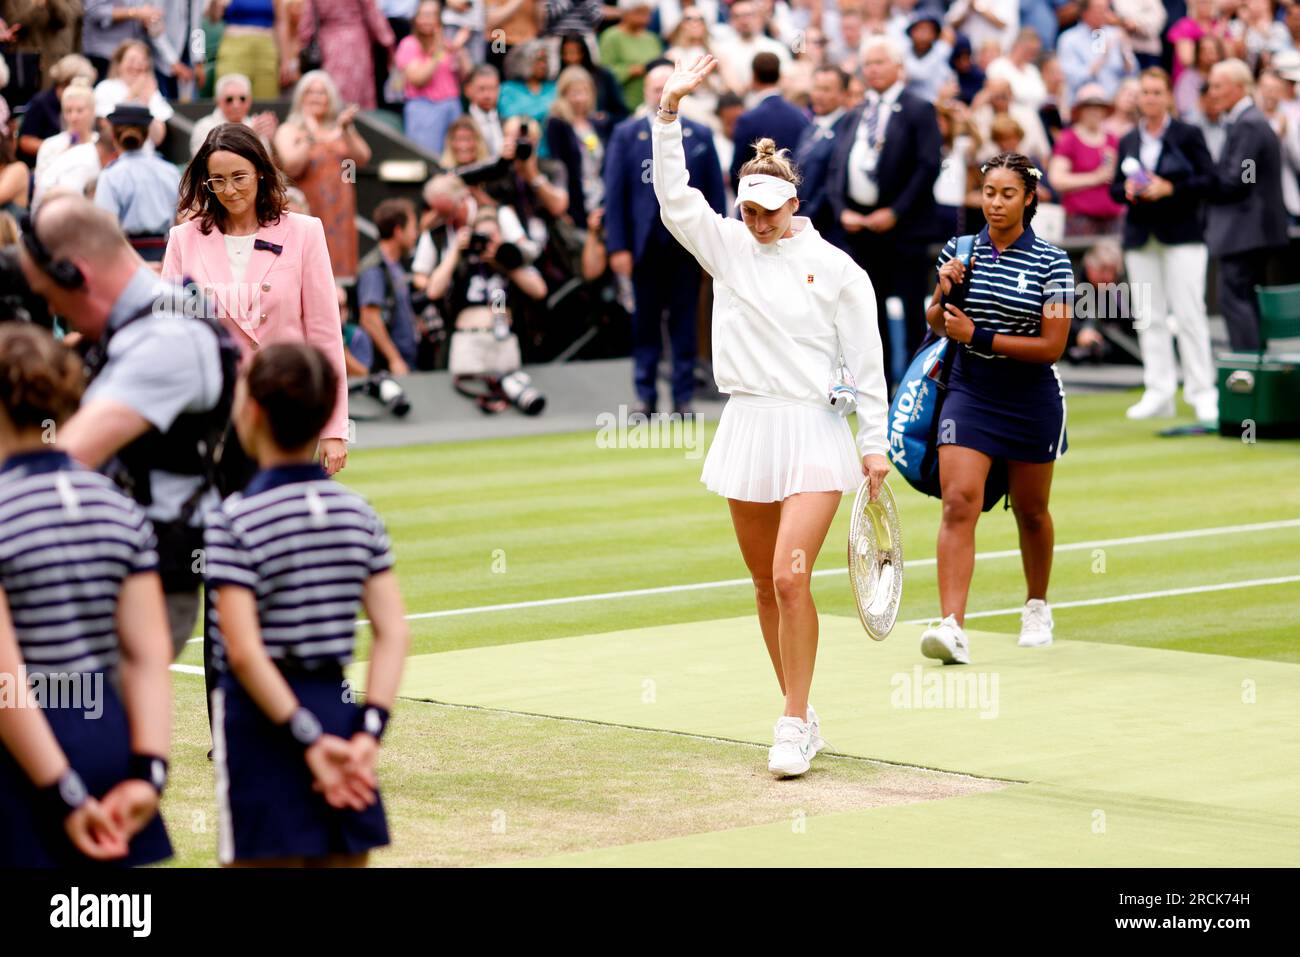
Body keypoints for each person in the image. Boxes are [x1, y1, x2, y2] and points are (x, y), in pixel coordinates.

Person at [653, 54, 890, 778]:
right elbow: (675, 200)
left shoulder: (842, 271)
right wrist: (667, 115)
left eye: (766, 209)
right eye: (747, 209)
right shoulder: (726, 245)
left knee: (792, 577)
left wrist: (875, 443)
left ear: (793, 203)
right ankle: (802, 705)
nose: (754, 220)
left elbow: (867, 362)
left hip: (816, 432)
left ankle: (790, 721)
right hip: (749, 427)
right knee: (764, 583)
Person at [205, 343, 410, 867]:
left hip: (262, 719)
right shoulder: (357, 512)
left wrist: (306, 739)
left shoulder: (234, 519)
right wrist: (369, 731)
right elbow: (392, 632)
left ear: (251, 412)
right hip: (335, 708)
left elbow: (244, 653)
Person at [17, 195, 235, 661]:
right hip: (110, 565)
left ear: (76, 274)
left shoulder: (167, 337)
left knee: (76, 721)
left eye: (49, 295)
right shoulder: (139, 325)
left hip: (144, 580)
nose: (55, 313)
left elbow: (64, 461)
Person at [0, 324, 174, 868]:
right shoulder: (119, 509)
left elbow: (6, 682)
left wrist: (62, 791)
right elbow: (148, 656)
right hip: (110, 744)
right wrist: (150, 771)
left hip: (22, 760)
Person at [918, 151, 1074, 665]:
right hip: (970, 391)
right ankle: (952, 625)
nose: (996, 204)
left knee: (1031, 512)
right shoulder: (959, 249)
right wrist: (942, 292)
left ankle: (1036, 605)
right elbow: (937, 323)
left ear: (1028, 198)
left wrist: (979, 334)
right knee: (959, 500)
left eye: (1008, 194)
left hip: (1031, 399)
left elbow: (1052, 347)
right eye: (988, 193)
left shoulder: (1053, 262)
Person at [164, 122, 350, 477]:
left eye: (239, 177)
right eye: (217, 180)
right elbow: (171, 334)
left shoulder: (305, 232)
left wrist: (334, 429)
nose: (229, 190)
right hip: (214, 411)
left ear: (261, 173)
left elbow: (325, 335)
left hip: (291, 407)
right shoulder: (183, 239)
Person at [605, 61, 727, 416]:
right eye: (655, 87)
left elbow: (714, 195)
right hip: (643, 245)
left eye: (666, 86)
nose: (660, 93)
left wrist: (715, 249)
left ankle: (683, 397)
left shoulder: (699, 135)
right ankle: (645, 395)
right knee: (644, 323)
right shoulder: (627, 134)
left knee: (685, 322)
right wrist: (618, 246)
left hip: (686, 247)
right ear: (644, 90)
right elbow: (615, 195)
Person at [826, 35, 942, 386]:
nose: (872, 69)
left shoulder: (918, 109)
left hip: (905, 228)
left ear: (898, 66)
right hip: (860, 229)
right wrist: (842, 209)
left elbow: (927, 166)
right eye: (868, 63)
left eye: (879, 62)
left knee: (910, 309)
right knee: (866, 310)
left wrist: (895, 212)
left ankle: (914, 383)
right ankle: (876, 385)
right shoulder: (856, 113)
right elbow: (836, 168)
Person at [1108, 67, 1219, 422]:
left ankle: (1203, 391)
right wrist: (1127, 191)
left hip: (1183, 235)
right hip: (1141, 237)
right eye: (1145, 92)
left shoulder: (1188, 133)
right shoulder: (1128, 139)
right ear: (1137, 97)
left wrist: (1170, 188)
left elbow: (1209, 181)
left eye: (1157, 92)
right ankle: (1159, 390)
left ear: (1168, 95)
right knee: (1148, 316)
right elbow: (1113, 188)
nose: (1150, 98)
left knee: (1189, 313)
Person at [1203, 58, 1289, 352]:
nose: (1212, 92)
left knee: (1236, 302)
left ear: (1239, 88)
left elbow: (1243, 178)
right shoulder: (1247, 122)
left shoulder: (1249, 125)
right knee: (1244, 302)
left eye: (1218, 86)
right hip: (1250, 233)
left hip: (1245, 234)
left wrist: (1197, 179)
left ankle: (1248, 372)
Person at [427, 205, 549, 413]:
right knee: (467, 401)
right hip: (469, 340)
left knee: (508, 400)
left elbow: (539, 290)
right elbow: (434, 291)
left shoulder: (510, 259)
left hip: (503, 339)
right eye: (481, 236)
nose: (485, 243)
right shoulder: (462, 260)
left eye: (491, 236)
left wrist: (504, 261)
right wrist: (456, 250)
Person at [274, 71, 373, 280]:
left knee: (340, 273)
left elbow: (362, 158)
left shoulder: (340, 129)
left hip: (340, 211)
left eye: (322, 93)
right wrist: (310, 134)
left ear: (331, 98)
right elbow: (291, 166)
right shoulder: (290, 129)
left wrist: (346, 129)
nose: (316, 97)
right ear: (300, 97)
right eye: (310, 92)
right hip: (307, 208)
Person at [93, 105, 182, 264]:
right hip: (167, 255)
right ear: (147, 133)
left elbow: (108, 230)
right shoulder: (170, 171)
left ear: (113, 135)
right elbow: (182, 221)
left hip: (126, 258)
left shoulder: (110, 175)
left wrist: (139, 266)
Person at [396, 0, 473, 157]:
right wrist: (438, 53)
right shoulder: (409, 44)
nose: (427, 20)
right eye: (423, 15)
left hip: (452, 107)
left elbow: (467, 76)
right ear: (415, 19)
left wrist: (459, 50)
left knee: (454, 158)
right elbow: (418, 78)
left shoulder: (447, 44)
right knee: (427, 157)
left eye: (432, 15)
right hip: (424, 109)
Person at [1048, 83, 1126, 235]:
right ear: (1080, 111)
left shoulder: (1112, 140)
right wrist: (1096, 177)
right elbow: (1057, 179)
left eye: (1099, 107)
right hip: (1080, 220)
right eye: (1090, 107)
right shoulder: (1068, 139)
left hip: (1113, 219)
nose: (1095, 112)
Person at [356, 198, 420, 376]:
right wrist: (395, 359)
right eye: (413, 228)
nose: (415, 234)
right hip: (387, 370)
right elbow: (369, 318)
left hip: (407, 363)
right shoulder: (374, 268)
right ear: (399, 231)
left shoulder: (395, 266)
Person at [729, 51, 810, 188]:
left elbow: (738, 171)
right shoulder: (799, 116)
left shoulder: (748, 119)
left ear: (754, 75)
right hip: (791, 196)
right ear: (779, 76)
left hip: (756, 197)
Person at [545, 64, 614, 223]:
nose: (579, 99)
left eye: (583, 92)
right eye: (574, 93)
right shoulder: (557, 123)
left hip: (599, 193)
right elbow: (558, 166)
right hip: (574, 196)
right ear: (564, 95)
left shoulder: (596, 123)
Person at [298, 0, 395, 110]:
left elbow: (306, 23)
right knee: (358, 97)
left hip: (328, 44)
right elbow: (373, 15)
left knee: (331, 91)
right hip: (356, 45)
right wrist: (389, 44)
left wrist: (304, 44)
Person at [793, 65, 853, 236]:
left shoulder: (847, 129)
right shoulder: (811, 127)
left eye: (826, 90)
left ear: (844, 94)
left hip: (825, 229)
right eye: (816, 88)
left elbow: (830, 185)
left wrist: (803, 221)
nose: (818, 95)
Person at [16, 54, 99, 166]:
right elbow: (25, 141)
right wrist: (55, 149)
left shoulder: (85, 103)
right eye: (68, 111)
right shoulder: (41, 102)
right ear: (65, 82)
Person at [92, 39, 173, 147]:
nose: (137, 66)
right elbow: (106, 128)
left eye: (142, 61)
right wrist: (132, 95)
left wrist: (145, 103)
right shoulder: (105, 87)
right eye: (132, 60)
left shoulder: (152, 93)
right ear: (119, 64)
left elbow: (157, 138)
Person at [210, 0, 292, 100]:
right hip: (234, 47)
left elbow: (281, 22)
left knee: (266, 98)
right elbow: (214, 18)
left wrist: (285, 60)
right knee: (230, 94)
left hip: (266, 49)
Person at [1056, 0, 1136, 100]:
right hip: (1083, 102)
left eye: (1106, 9)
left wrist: (1125, 54)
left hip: (1116, 101)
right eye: (1099, 9)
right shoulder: (1069, 39)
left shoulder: (1116, 34)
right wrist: (1101, 59)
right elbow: (1072, 79)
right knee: (1092, 92)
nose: (1104, 13)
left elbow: (1133, 73)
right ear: (1084, 12)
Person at [191, 73, 280, 155]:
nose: (236, 105)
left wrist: (272, 141)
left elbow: (269, 165)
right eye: (229, 99)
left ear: (249, 101)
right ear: (218, 101)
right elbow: (205, 163)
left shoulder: (256, 125)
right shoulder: (204, 127)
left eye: (242, 98)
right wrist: (249, 137)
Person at [598, 0, 663, 110]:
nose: (645, 18)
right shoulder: (611, 37)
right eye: (640, 12)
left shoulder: (652, 38)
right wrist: (631, 70)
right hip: (623, 105)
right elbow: (604, 73)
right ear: (626, 12)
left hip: (654, 104)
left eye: (648, 13)